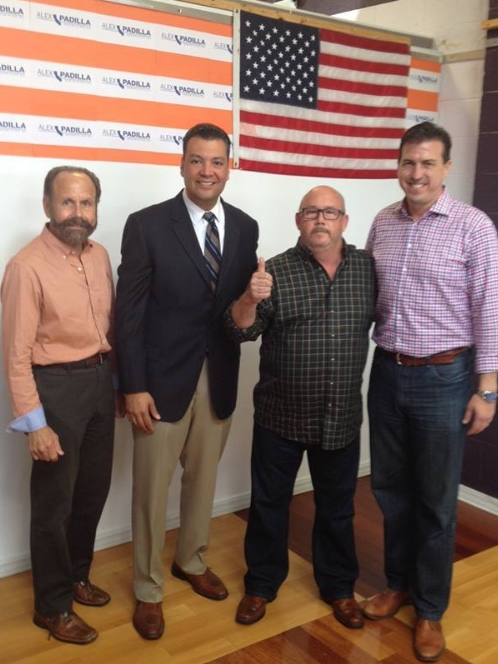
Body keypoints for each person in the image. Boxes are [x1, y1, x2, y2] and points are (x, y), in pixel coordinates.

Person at [115, 122, 259, 640]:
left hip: (217, 376)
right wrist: (132, 384)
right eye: (197, 160)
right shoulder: (148, 224)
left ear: (229, 167)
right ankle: (149, 588)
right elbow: (126, 314)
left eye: (217, 162)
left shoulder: (245, 227)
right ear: (181, 164)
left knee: (202, 482)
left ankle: (191, 561)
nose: (207, 171)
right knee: (151, 491)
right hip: (157, 382)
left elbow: (237, 313)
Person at [363, 122, 498, 662]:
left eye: (427, 164)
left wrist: (487, 391)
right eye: (407, 163)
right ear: (398, 166)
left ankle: (430, 609)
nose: (415, 173)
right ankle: (397, 585)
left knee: (437, 503)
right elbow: (366, 293)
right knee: (391, 492)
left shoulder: (474, 228)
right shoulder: (383, 222)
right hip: (387, 372)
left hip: (445, 379)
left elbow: (490, 310)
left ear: (445, 168)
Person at [226, 185, 376, 630]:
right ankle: (261, 585)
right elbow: (239, 332)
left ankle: (339, 587)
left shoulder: (368, 269)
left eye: (330, 212)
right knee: (270, 504)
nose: (320, 220)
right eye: (311, 212)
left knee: (338, 507)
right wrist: (249, 298)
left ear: (345, 222)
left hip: (342, 416)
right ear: (298, 220)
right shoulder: (272, 272)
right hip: (281, 416)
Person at [1, 166, 118, 645]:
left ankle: (77, 576)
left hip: (98, 384)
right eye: (67, 203)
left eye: (86, 203)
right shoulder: (26, 266)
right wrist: (35, 425)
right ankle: (52, 607)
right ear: (48, 206)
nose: (78, 212)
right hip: (55, 392)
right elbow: (15, 354)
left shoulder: (100, 256)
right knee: (54, 505)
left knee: (92, 492)